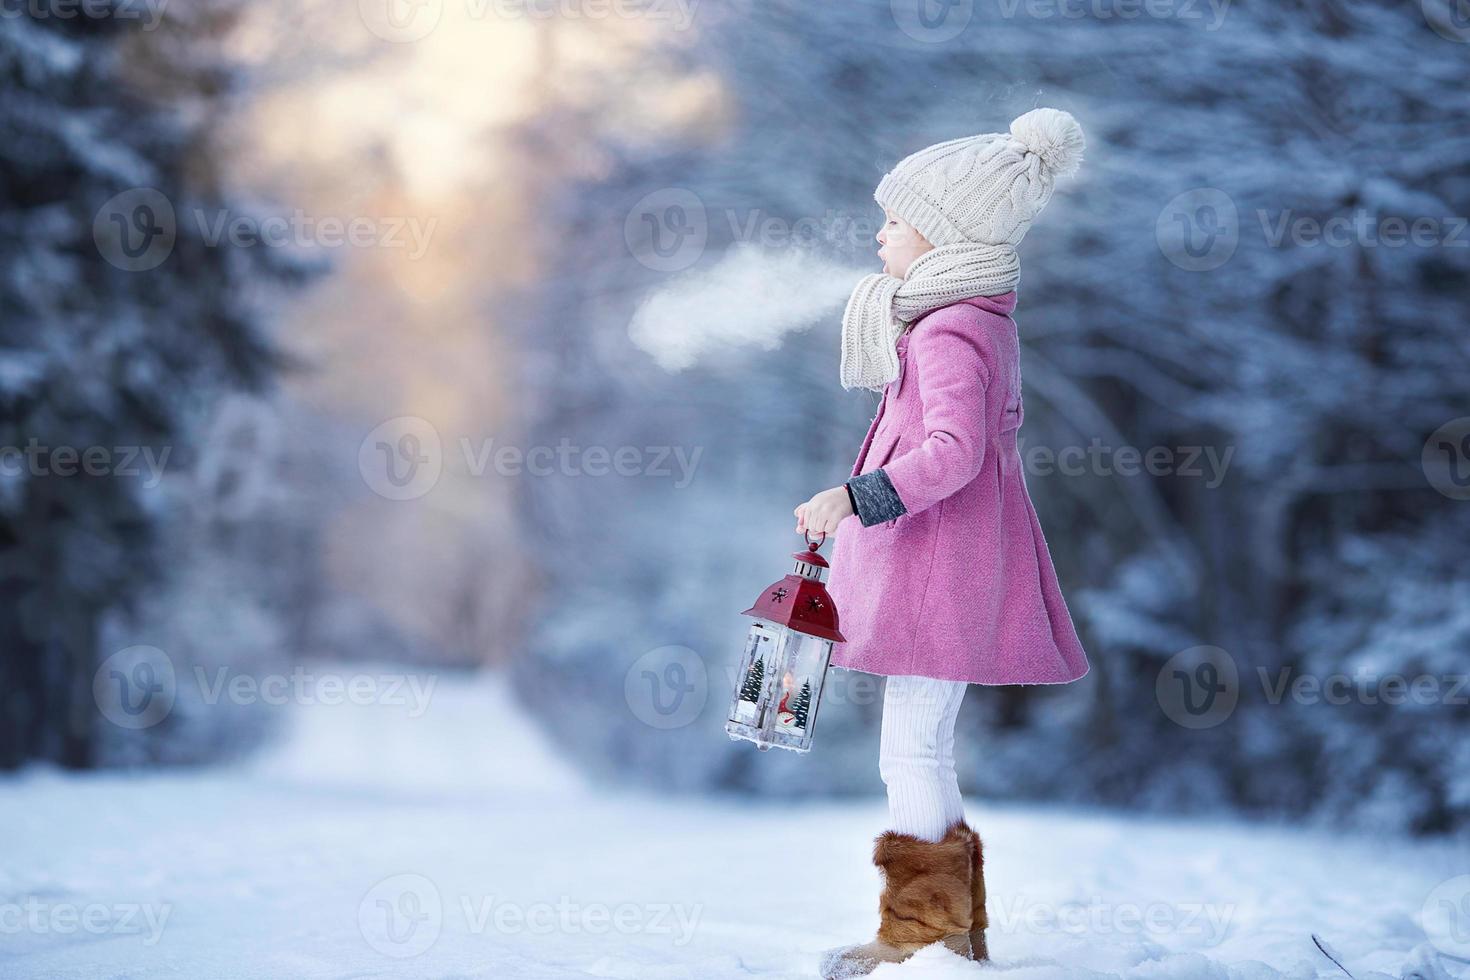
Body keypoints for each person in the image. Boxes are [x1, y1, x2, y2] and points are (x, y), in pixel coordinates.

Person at [792, 107, 1092, 978]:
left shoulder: (952, 329)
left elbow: (954, 454)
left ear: (943, 236)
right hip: (945, 569)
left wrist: (853, 497)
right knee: (922, 749)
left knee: (911, 752)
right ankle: (950, 933)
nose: (878, 232)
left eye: (894, 219)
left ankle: (918, 933)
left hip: (939, 574)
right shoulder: (961, 319)